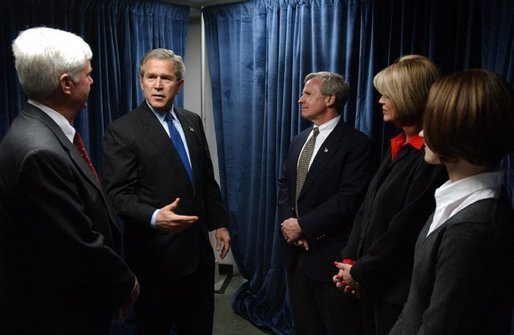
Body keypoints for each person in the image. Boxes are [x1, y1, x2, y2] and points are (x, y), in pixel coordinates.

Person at [0, 27, 139, 334]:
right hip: (58, 310)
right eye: (88, 74)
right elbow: (77, 242)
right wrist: (125, 283)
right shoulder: (39, 151)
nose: (92, 80)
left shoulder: (36, 128)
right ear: (66, 84)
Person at [102, 48, 231, 335]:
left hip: (197, 254)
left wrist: (219, 223)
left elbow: (206, 180)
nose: (158, 85)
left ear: (179, 84)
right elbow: (116, 195)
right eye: (151, 77)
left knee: (198, 325)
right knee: (155, 327)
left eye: (166, 78)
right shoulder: (122, 130)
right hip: (154, 256)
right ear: (141, 81)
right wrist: (154, 217)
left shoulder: (192, 122)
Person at [389, 69, 514, 334]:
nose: (422, 133)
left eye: (431, 121)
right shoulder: (458, 203)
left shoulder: (474, 226)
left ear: (457, 129)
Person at [333, 55, 447, 335]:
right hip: (370, 282)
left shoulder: (431, 159)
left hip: (396, 293)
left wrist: (360, 272)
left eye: (388, 94)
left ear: (410, 96)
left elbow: (404, 230)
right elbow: (367, 210)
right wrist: (350, 261)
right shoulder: (398, 146)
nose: (381, 100)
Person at [278, 71, 377, 334]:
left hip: (329, 258)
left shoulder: (357, 144)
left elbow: (349, 198)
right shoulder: (298, 140)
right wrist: (291, 226)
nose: (300, 99)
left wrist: (305, 227)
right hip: (296, 255)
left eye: (308, 93)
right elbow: (285, 185)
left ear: (330, 98)